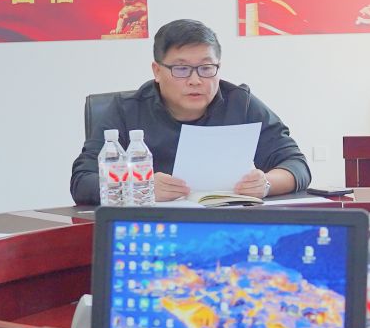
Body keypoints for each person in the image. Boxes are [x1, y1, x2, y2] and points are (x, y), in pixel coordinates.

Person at [69, 18, 310, 204]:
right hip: (152, 229)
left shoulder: (240, 103)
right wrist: (140, 187)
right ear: (157, 71)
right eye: (182, 69)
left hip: (225, 226)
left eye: (206, 68)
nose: (196, 80)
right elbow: (82, 181)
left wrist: (265, 184)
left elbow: (296, 165)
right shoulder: (126, 110)